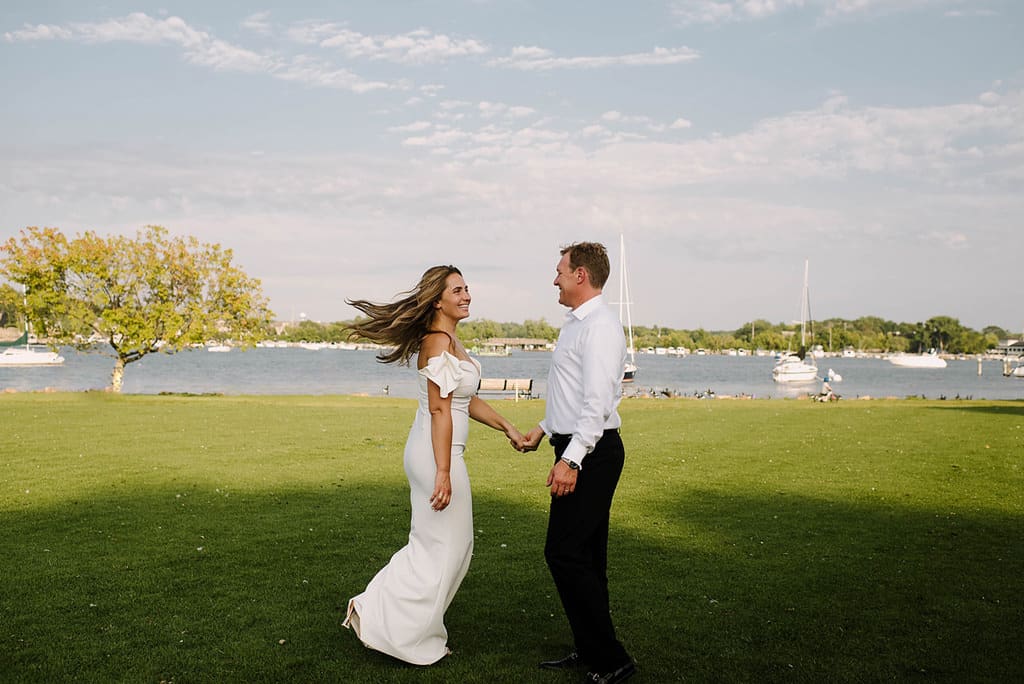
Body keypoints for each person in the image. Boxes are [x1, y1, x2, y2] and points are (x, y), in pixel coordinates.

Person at [342, 265, 524, 665]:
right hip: (434, 455)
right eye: (457, 290)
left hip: (441, 454)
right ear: (438, 300)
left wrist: (507, 427)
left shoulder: (452, 343)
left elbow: (464, 399)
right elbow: (441, 410)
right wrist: (443, 471)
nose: (467, 295)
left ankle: (403, 624)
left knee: (449, 546)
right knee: (443, 547)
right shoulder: (438, 344)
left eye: (467, 288)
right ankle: (380, 617)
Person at [517, 242, 636, 684]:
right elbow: (568, 393)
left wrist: (570, 461)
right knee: (585, 554)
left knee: (563, 552)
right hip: (576, 445)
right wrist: (544, 428)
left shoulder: (600, 326)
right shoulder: (575, 324)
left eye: (560, 272)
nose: (555, 280)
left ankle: (611, 658)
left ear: (581, 275)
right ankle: (593, 649)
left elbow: (598, 403)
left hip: (593, 452)